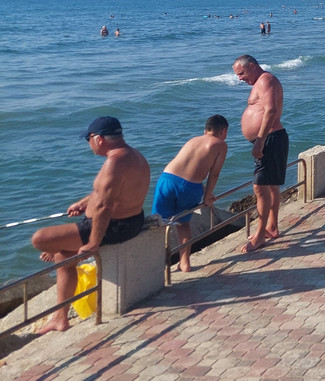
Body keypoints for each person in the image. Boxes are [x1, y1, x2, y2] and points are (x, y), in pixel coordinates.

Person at [30, 116, 150, 333]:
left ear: (99, 139)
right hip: (132, 219)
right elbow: (108, 192)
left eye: (88, 139)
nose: (88, 144)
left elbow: (104, 206)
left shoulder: (114, 162)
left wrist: (93, 243)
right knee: (62, 256)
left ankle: (60, 316)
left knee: (40, 239)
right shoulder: (132, 155)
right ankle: (60, 318)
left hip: (114, 227)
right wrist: (84, 203)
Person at [152, 115, 229, 272]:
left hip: (167, 179)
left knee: (158, 224)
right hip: (190, 187)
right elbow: (214, 174)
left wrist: (204, 189)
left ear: (205, 130)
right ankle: (185, 262)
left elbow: (187, 168)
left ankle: (154, 266)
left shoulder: (193, 140)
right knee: (183, 224)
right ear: (223, 131)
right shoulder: (220, 145)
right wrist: (207, 196)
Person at [233, 55, 288, 254]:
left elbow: (271, 111)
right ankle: (272, 227)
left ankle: (259, 236)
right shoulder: (262, 81)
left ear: (252, 66)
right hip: (270, 139)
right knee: (271, 186)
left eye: (241, 73)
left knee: (260, 187)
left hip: (270, 139)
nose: (239, 78)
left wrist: (260, 140)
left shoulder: (266, 80)